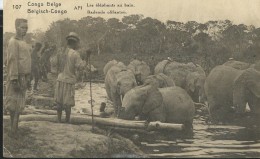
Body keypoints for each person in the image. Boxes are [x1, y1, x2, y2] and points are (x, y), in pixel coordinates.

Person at [5, 18, 31, 136]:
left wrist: (28, 77)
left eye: (26, 28)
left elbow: (26, 61)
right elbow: (12, 61)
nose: (24, 30)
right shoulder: (13, 42)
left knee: (19, 104)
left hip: (23, 77)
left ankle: (15, 127)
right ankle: (12, 128)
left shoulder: (24, 42)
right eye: (22, 27)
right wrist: (14, 79)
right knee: (13, 104)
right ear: (16, 28)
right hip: (16, 76)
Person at [54, 32, 88, 123]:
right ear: (74, 43)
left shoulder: (61, 52)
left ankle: (58, 120)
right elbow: (81, 67)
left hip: (60, 79)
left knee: (59, 102)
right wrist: (87, 59)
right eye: (77, 43)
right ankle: (67, 121)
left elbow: (55, 64)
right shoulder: (75, 54)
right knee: (67, 103)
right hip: (69, 81)